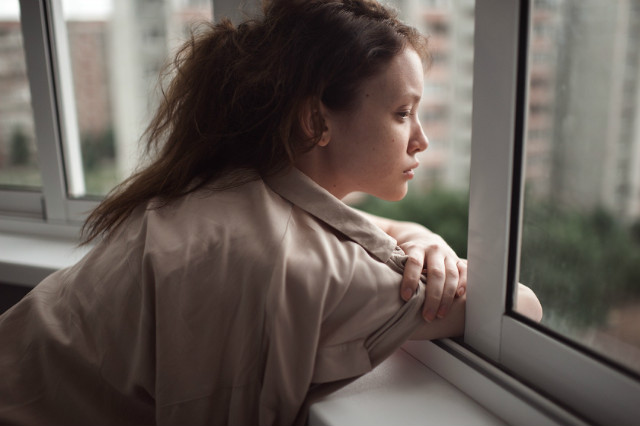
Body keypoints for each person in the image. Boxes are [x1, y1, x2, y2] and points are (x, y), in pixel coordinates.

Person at [0, 0, 542, 425]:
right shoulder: (318, 270)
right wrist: (434, 252)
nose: (421, 140)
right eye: (403, 113)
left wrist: (417, 233)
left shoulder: (224, 187)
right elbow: (520, 307)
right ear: (316, 121)